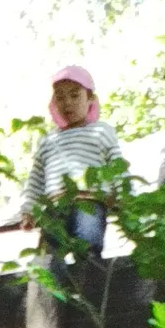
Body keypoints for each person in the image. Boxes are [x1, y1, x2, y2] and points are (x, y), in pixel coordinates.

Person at [21, 65, 122, 272]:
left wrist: (123, 194)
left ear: (90, 99)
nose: (68, 103)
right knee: (47, 256)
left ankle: (89, 285)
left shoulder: (101, 131)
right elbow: (36, 178)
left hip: (89, 201)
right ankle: (51, 296)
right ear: (53, 103)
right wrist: (28, 210)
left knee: (88, 247)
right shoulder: (49, 140)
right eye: (60, 97)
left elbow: (116, 164)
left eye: (75, 96)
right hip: (56, 206)